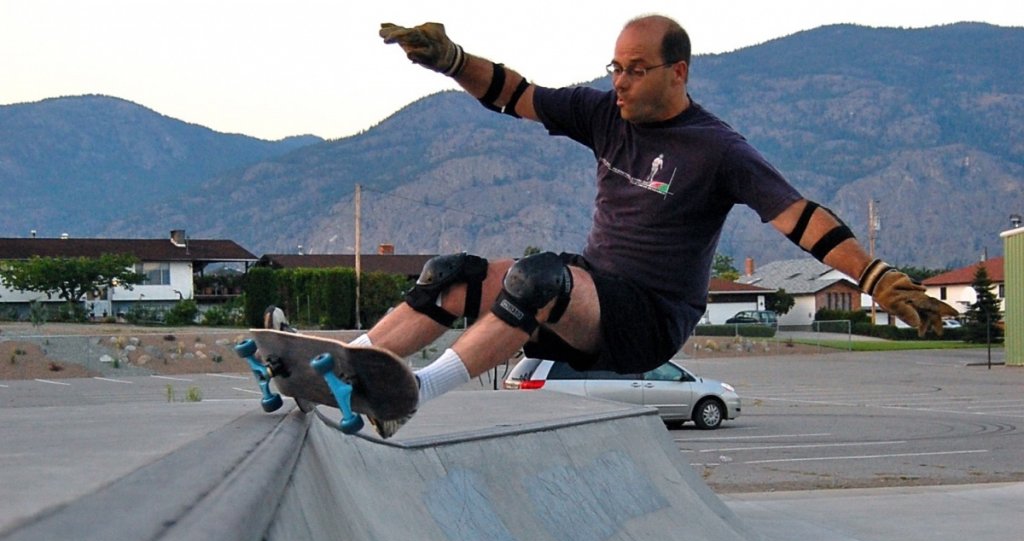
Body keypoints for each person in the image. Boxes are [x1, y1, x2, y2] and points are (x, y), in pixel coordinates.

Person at [274, 15, 958, 438]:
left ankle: (416, 392)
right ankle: (344, 360)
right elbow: (516, 95)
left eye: (635, 71)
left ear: (678, 72)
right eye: (615, 69)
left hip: (649, 318)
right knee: (451, 275)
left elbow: (797, 214)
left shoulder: (717, 149)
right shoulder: (604, 114)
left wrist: (873, 276)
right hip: (591, 293)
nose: (620, 84)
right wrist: (452, 61)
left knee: (539, 278)